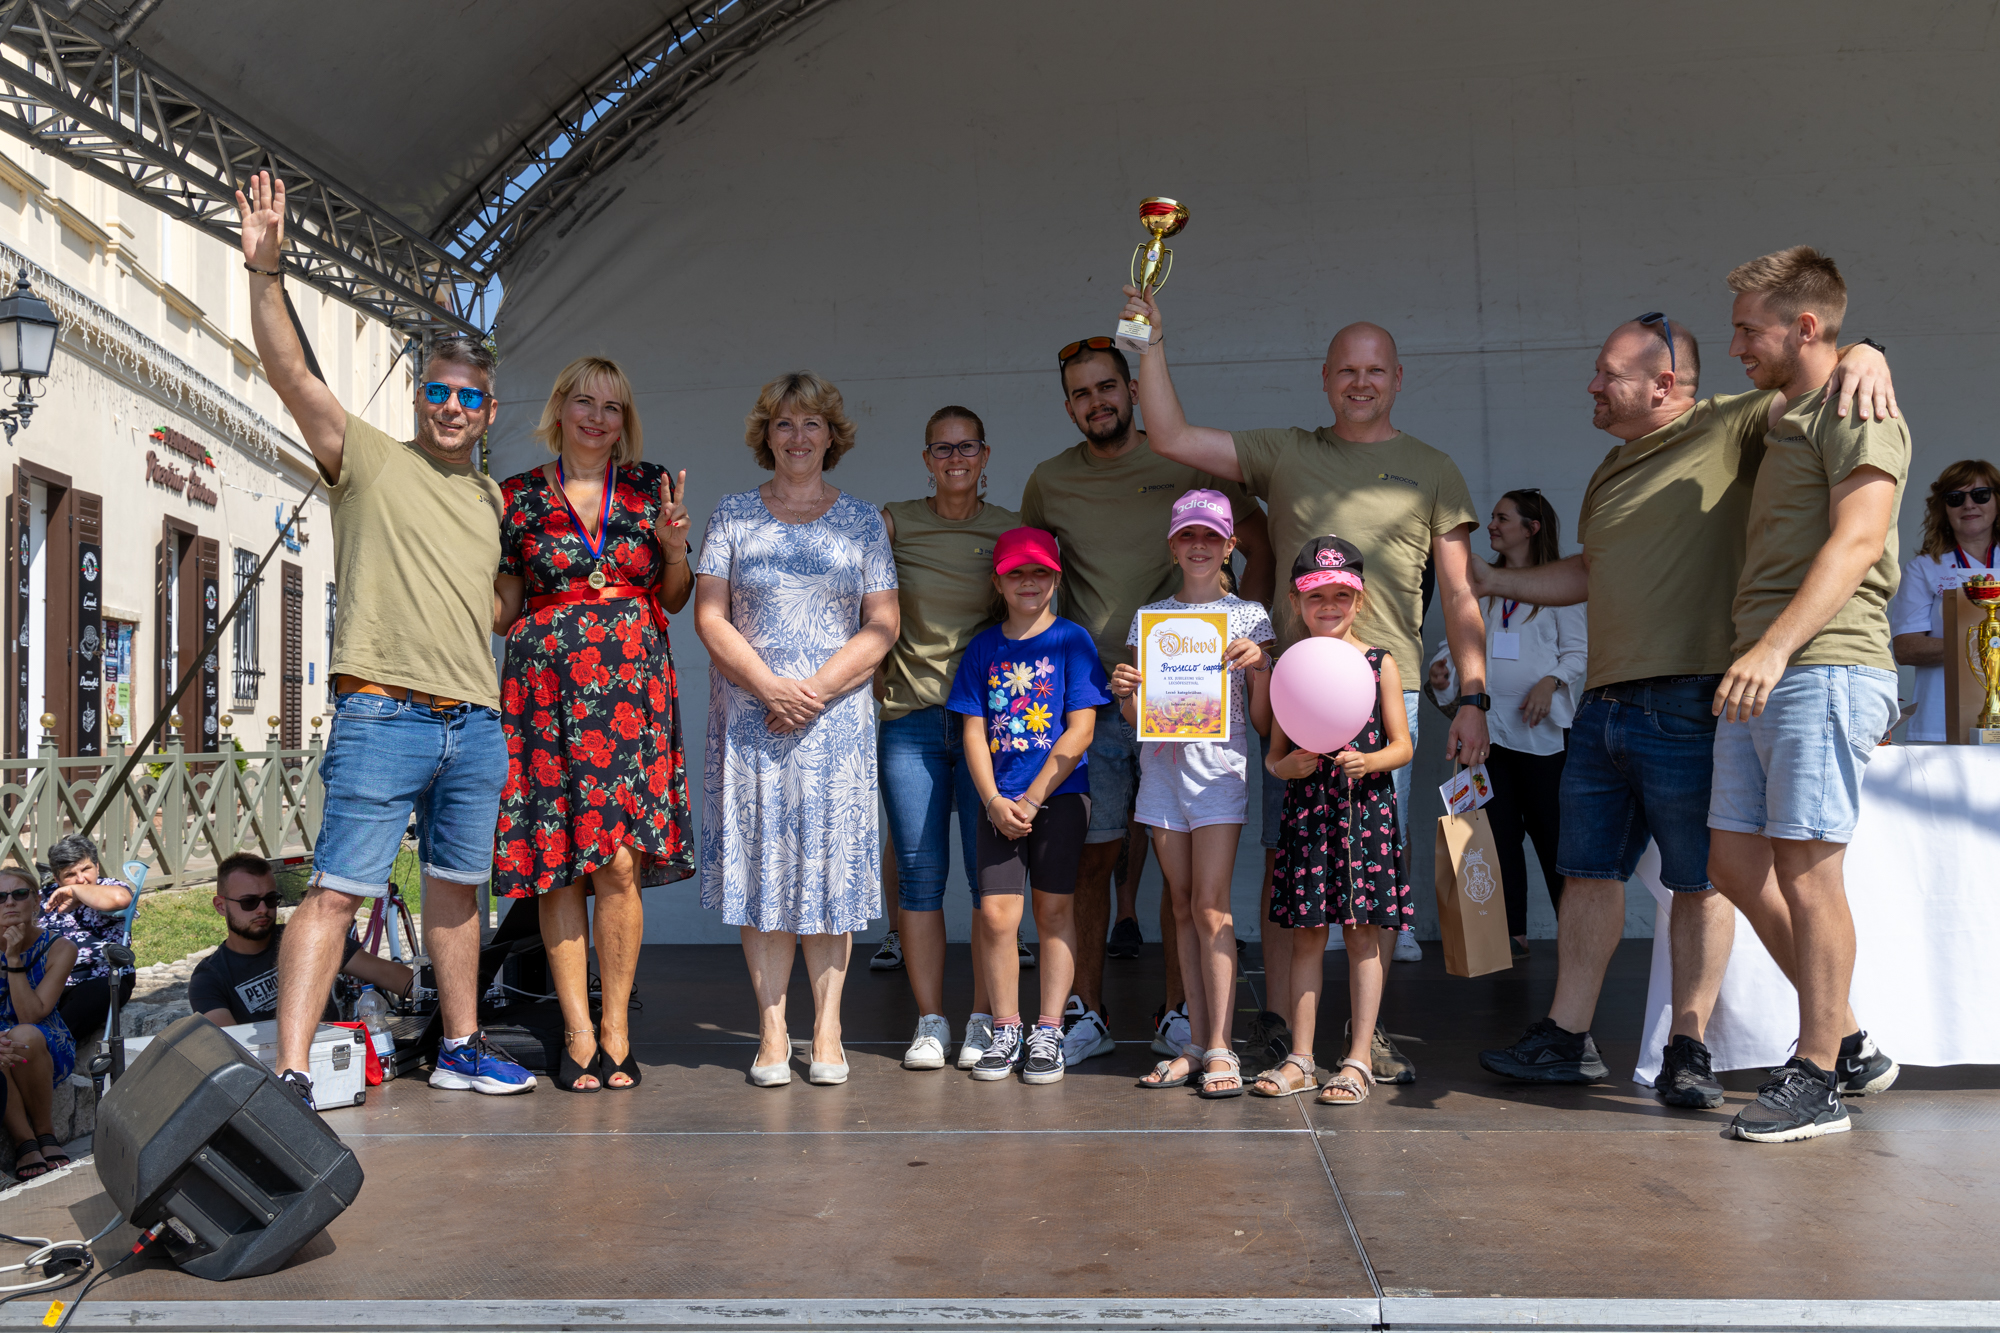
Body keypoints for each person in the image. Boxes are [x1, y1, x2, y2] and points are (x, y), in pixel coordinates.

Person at [1471, 309, 1895, 1110]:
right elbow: (1592, 571)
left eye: (1608, 373)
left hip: (1698, 695)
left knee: (1702, 880)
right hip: (1604, 702)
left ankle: (1691, 1045)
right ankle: (1566, 1037)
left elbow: (1812, 372)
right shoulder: (1609, 467)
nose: (1592, 385)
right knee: (1587, 871)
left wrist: (1867, 351)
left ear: (1664, 383)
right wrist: (1495, 581)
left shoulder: (1734, 423)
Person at [1119, 294, 1487, 1086]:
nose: (1361, 382)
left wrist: (1474, 695)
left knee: (1369, 880)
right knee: (1293, 872)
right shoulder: (1286, 451)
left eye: (1375, 370)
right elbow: (1172, 435)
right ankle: (1289, 1037)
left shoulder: (1434, 468)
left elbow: (1460, 592)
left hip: (1384, 694)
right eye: (1347, 370)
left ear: (1399, 377)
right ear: (1325, 378)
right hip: (1292, 695)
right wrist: (1150, 344)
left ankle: (1363, 1041)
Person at [237, 171, 534, 1102]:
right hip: (382, 713)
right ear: (416, 396)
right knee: (337, 890)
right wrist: (266, 272)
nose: (451, 407)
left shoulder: (493, 499)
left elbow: (496, 604)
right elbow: (291, 374)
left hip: (474, 723)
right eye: (438, 391)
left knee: (457, 890)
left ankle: (461, 1047)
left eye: (468, 398)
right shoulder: (365, 456)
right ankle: (290, 1072)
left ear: (489, 411)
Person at [1019, 336, 1272, 1068]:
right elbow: (1030, 574)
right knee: (1093, 859)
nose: (1096, 402)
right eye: (1081, 394)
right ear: (1068, 407)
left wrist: (1244, 634)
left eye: (1107, 386)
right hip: (1092, 700)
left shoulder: (1184, 463)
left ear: (1131, 389)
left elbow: (1257, 541)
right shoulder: (1049, 481)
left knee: (1180, 875)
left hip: (1192, 708)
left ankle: (1181, 1014)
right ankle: (1087, 1012)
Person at [1705, 248, 1908, 1143]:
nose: (1737, 345)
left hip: (1822, 662)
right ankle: (1850, 1040)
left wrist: (1776, 647)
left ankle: (1818, 1074)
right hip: (1767, 666)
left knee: (1808, 869)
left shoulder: (1862, 411)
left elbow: (1859, 540)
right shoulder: (1787, 412)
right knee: (1733, 862)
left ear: (1806, 326)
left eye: (1749, 329)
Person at [491, 356, 695, 1093]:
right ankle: (577, 1029)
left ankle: (616, 1027)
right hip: (544, 691)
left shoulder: (649, 486)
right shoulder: (516, 496)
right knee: (559, 863)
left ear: (624, 420)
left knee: (617, 862)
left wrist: (675, 549)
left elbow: (674, 598)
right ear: (560, 408)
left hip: (630, 689)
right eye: (584, 402)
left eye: (612, 407)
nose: (597, 418)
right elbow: (503, 611)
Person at [695, 371, 899, 1088]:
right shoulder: (731, 515)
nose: (799, 436)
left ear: (832, 435)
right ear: (766, 434)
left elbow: (883, 623)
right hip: (754, 724)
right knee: (766, 873)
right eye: (784, 423)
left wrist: (811, 691)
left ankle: (830, 1028)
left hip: (833, 727)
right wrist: (770, 687)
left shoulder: (865, 521)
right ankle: (773, 1029)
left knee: (831, 873)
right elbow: (710, 615)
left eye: (812, 423)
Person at [1110, 491, 1273, 1098]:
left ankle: (1223, 1046)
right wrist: (1125, 692)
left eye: (1210, 536)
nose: (1198, 545)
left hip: (1219, 774)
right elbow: (1138, 720)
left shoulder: (1250, 617)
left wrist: (1261, 667)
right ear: (1173, 545)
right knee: (1180, 907)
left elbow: (1263, 722)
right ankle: (1196, 1043)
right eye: (1188, 535)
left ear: (1229, 546)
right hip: (1161, 773)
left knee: (1210, 906)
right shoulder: (1149, 618)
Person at [875, 406, 1020, 1072]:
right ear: (926, 458)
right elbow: (855, 599)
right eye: (943, 448)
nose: (955, 458)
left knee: (990, 884)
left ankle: (985, 1020)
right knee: (920, 878)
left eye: (967, 447)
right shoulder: (894, 522)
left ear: (985, 456)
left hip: (985, 727)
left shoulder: (1009, 530)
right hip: (910, 722)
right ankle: (931, 1022)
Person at [1251, 537, 1413, 1104]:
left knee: (1364, 934)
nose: (1329, 606)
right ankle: (1301, 1059)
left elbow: (1403, 745)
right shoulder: (1289, 668)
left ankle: (1359, 1059)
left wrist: (1371, 761)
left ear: (1359, 601)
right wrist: (1285, 767)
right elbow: (1273, 755)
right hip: (1310, 814)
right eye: (1316, 596)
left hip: (1364, 814)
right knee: (1307, 936)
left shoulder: (1379, 663)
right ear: (1297, 603)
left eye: (1341, 595)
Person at [945, 528, 1108, 1085]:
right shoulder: (984, 648)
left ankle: (1049, 1030)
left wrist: (1034, 797)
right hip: (999, 805)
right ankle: (1005, 1027)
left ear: (1056, 579)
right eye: (1016, 573)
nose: (1029, 582)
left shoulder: (1072, 641)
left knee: (1054, 912)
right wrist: (993, 799)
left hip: (1058, 798)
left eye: (1040, 572)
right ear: (998, 583)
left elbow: (1081, 729)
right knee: (996, 916)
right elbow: (972, 730)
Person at [1426, 492, 1587, 952]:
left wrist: (1551, 682)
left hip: (1544, 741)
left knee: (1556, 840)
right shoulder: (1479, 587)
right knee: (1495, 839)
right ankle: (1508, 934)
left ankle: (1577, 937)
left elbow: (1579, 653)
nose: (1492, 525)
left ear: (1532, 528)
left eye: (1502, 518)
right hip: (1487, 738)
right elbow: (1458, 646)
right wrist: (1442, 674)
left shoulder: (1559, 587)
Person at [188, 853, 413, 1026]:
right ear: (221, 906)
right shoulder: (209, 977)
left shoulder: (305, 937)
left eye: (271, 899)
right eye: (249, 902)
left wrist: (430, 992)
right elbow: (230, 1045)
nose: (263, 909)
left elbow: (387, 973)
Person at [1890, 460, 2000, 741]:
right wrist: (1984, 645)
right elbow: (1906, 649)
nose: (1969, 505)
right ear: (1944, 508)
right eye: (1955, 498)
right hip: (1940, 721)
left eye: (1980, 495)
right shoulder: (1924, 568)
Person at [2, 865, 75, 1180]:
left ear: (36, 901)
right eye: (0, 897)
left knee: (24, 1035)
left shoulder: (60, 948)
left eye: (19, 894)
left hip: (44, 1039)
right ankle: (25, 1142)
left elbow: (31, 1015)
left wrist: (13, 958)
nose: (9, 902)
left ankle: (45, 1133)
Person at [38, 834, 135, 1039]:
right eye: (70, 874)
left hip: (100, 978)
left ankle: (48, 1046)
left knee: (99, 993)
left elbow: (120, 900)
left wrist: (75, 889)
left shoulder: (109, 887)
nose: (81, 879)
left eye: (85, 869)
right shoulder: (44, 897)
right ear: (56, 879)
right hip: (49, 983)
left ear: (97, 867)